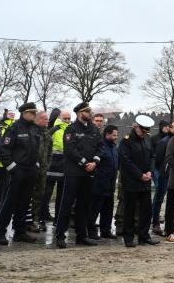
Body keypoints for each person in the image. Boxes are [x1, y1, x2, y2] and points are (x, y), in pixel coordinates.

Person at [54, 101, 102, 249]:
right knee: (66, 204)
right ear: (80, 113)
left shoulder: (94, 129)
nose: (91, 114)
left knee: (84, 205)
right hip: (73, 173)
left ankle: (82, 236)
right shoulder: (71, 129)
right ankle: (60, 236)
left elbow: (100, 147)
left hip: (89, 173)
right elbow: (70, 150)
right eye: (88, 112)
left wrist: (95, 162)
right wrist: (84, 163)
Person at [0, 103, 40, 246]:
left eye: (35, 113)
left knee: (24, 203)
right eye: (32, 113)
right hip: (17, 171)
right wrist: (13, 168)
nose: (34, 115)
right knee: (8, 203)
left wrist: (36, 164)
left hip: (30, 171)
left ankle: (20, 232)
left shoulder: (34, 128)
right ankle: (0, 232)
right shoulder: (14, 128)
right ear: (24, 113)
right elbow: (3, 150)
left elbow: (36, 149)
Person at [115, 115, 159, 247]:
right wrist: (140, 175)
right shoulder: (126, 141)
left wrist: (150, 171)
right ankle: (128, 237)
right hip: (131, 181)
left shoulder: (147, 139)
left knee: (146, 210)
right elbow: (126, 161)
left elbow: (152, 156)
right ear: (136, 127)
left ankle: (144, 236)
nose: (144, 134)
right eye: (142, 131)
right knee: (130, 210)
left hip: (145, 181)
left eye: (146, 132)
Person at [89, 125, 118, 239]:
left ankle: (105, 230)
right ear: (107, 134)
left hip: (110, 184)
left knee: (108, 210)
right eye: (114, 135)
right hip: (100, 183)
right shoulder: (100, 146)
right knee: (94, 209)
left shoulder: (113, 147)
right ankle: (90, 231)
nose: (116, 137)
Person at [43, 109, 71, 223]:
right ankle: (42, 216)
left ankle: (58, 219)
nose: (67, 120)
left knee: (62, 194)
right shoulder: (54, 129)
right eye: (65, 118)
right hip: (52, 165)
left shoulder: (70, 130)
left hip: (64, 166)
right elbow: (46, 146)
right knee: (47, 193)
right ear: (60, 118)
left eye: (69, 118)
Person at [151, 120, 174, 235]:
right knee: (159, 198)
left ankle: (169, 222)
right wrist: (162, 170)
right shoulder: (163, 141)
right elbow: (158, 159)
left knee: (173, 201)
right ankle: (155, 222)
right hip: (164, 173)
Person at [28, 110, 52, 232]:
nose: (47, 121)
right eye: (45, 119)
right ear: (37, 119)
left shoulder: (47, 135)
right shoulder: (32, 132)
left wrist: (47, 165)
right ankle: (25, 221)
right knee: (28, 196)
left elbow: (49, 153)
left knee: (40, 195)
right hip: (30, 169)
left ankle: (35, 219)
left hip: (42, 171)